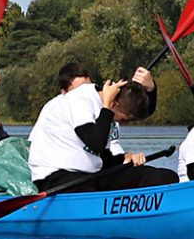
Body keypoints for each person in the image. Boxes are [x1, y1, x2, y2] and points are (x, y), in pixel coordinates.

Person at [27, 61, 177, 193]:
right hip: (57, 176)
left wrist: (125, 159)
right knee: (92, 193)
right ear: (115, 104)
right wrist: (106, 108)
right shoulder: (81, 99)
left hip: (90, 175)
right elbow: (95, 144)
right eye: (124, 120)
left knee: (163, 177)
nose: (122, 124)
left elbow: (100, 156)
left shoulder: (107, 106)